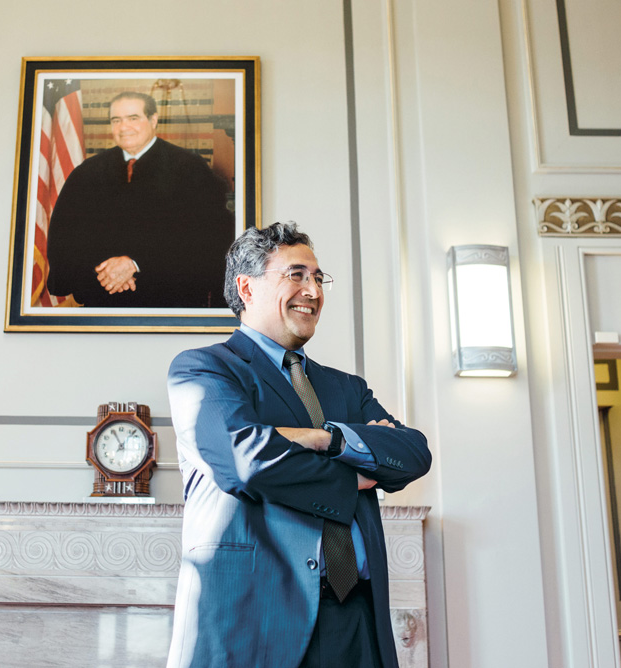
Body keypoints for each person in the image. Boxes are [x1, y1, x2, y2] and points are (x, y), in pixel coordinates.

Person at [166, 222, 432, 668]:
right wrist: (356, 475)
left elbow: (412, 453)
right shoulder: (205, 370)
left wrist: (325, 438)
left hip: (357, 619)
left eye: (317, 277)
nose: (313, 290)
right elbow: (246, 460)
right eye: (296, 275)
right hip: (253, 621)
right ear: (246, 288)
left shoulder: (347, 389)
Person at [46, 92, 234, 308]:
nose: (124, 127)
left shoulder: (190, 169)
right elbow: (65, 237)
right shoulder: (88, 173)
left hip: (168, 302)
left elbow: (207, 237)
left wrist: (135, 264)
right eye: (116, 120)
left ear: (153, 120)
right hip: (99, 301)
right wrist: (103, 278)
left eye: (133, 118)